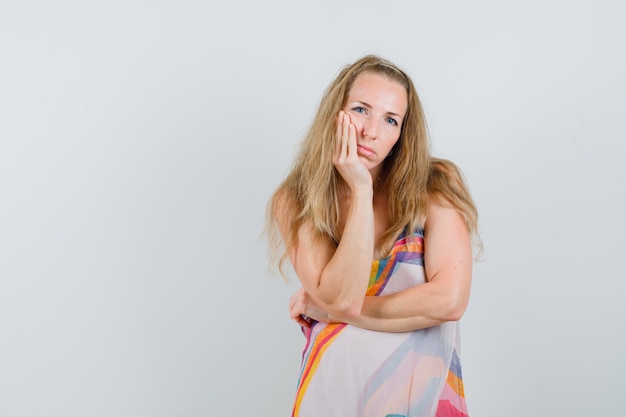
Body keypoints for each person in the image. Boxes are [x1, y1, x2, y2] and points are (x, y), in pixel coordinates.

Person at [265, 55, 480, 417]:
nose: (371, 131)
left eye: (390, 119)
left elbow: (450, 302)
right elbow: (342, 298)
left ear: (401, 133)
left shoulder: (435, 185)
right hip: (331, 396)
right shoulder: (297, 198)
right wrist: (361, 190)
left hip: (420, 402)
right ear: (337, 110)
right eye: (361, 109)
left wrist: (332, 312)